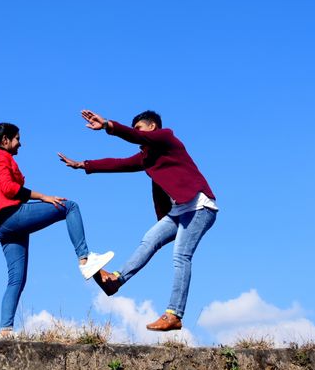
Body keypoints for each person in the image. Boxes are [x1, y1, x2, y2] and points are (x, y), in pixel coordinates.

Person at [58, 109, 218, 332]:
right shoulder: (147, 157)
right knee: (149, 239)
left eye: (139, 129)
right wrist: (84, 164)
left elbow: (137, 137)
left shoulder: (166, 137)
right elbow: (119, 164)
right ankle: (115, 281)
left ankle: (174, 314)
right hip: (180, 210)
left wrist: (107, 125)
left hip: (199, 206)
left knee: (181, 256)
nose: (137, 135)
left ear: (152, 127)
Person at [0, 122, 114, 338]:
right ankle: (85, 259)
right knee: (69, 207)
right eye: (17, 138)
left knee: (16, 279)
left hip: (1, 227)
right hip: (10, 216)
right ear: (5, 141)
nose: (21, 143)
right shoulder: (0, 157)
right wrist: (44, 197)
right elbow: (9, 189)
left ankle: (5, 331)